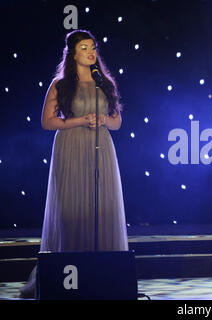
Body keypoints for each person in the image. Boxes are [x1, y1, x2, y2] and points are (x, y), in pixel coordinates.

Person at [19, 30, 128, 298]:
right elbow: (47, 121)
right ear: (73, 53)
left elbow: (117, 122)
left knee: (101, 208)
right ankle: (68, 278)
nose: (91, 52)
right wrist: (80, 120)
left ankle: (102, 277)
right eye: (84, 48)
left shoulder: (104, 83)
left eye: (93, 47)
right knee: (71, 208)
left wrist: (102, 120)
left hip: (100, 147)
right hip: (70, 146)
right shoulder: (60, 84)